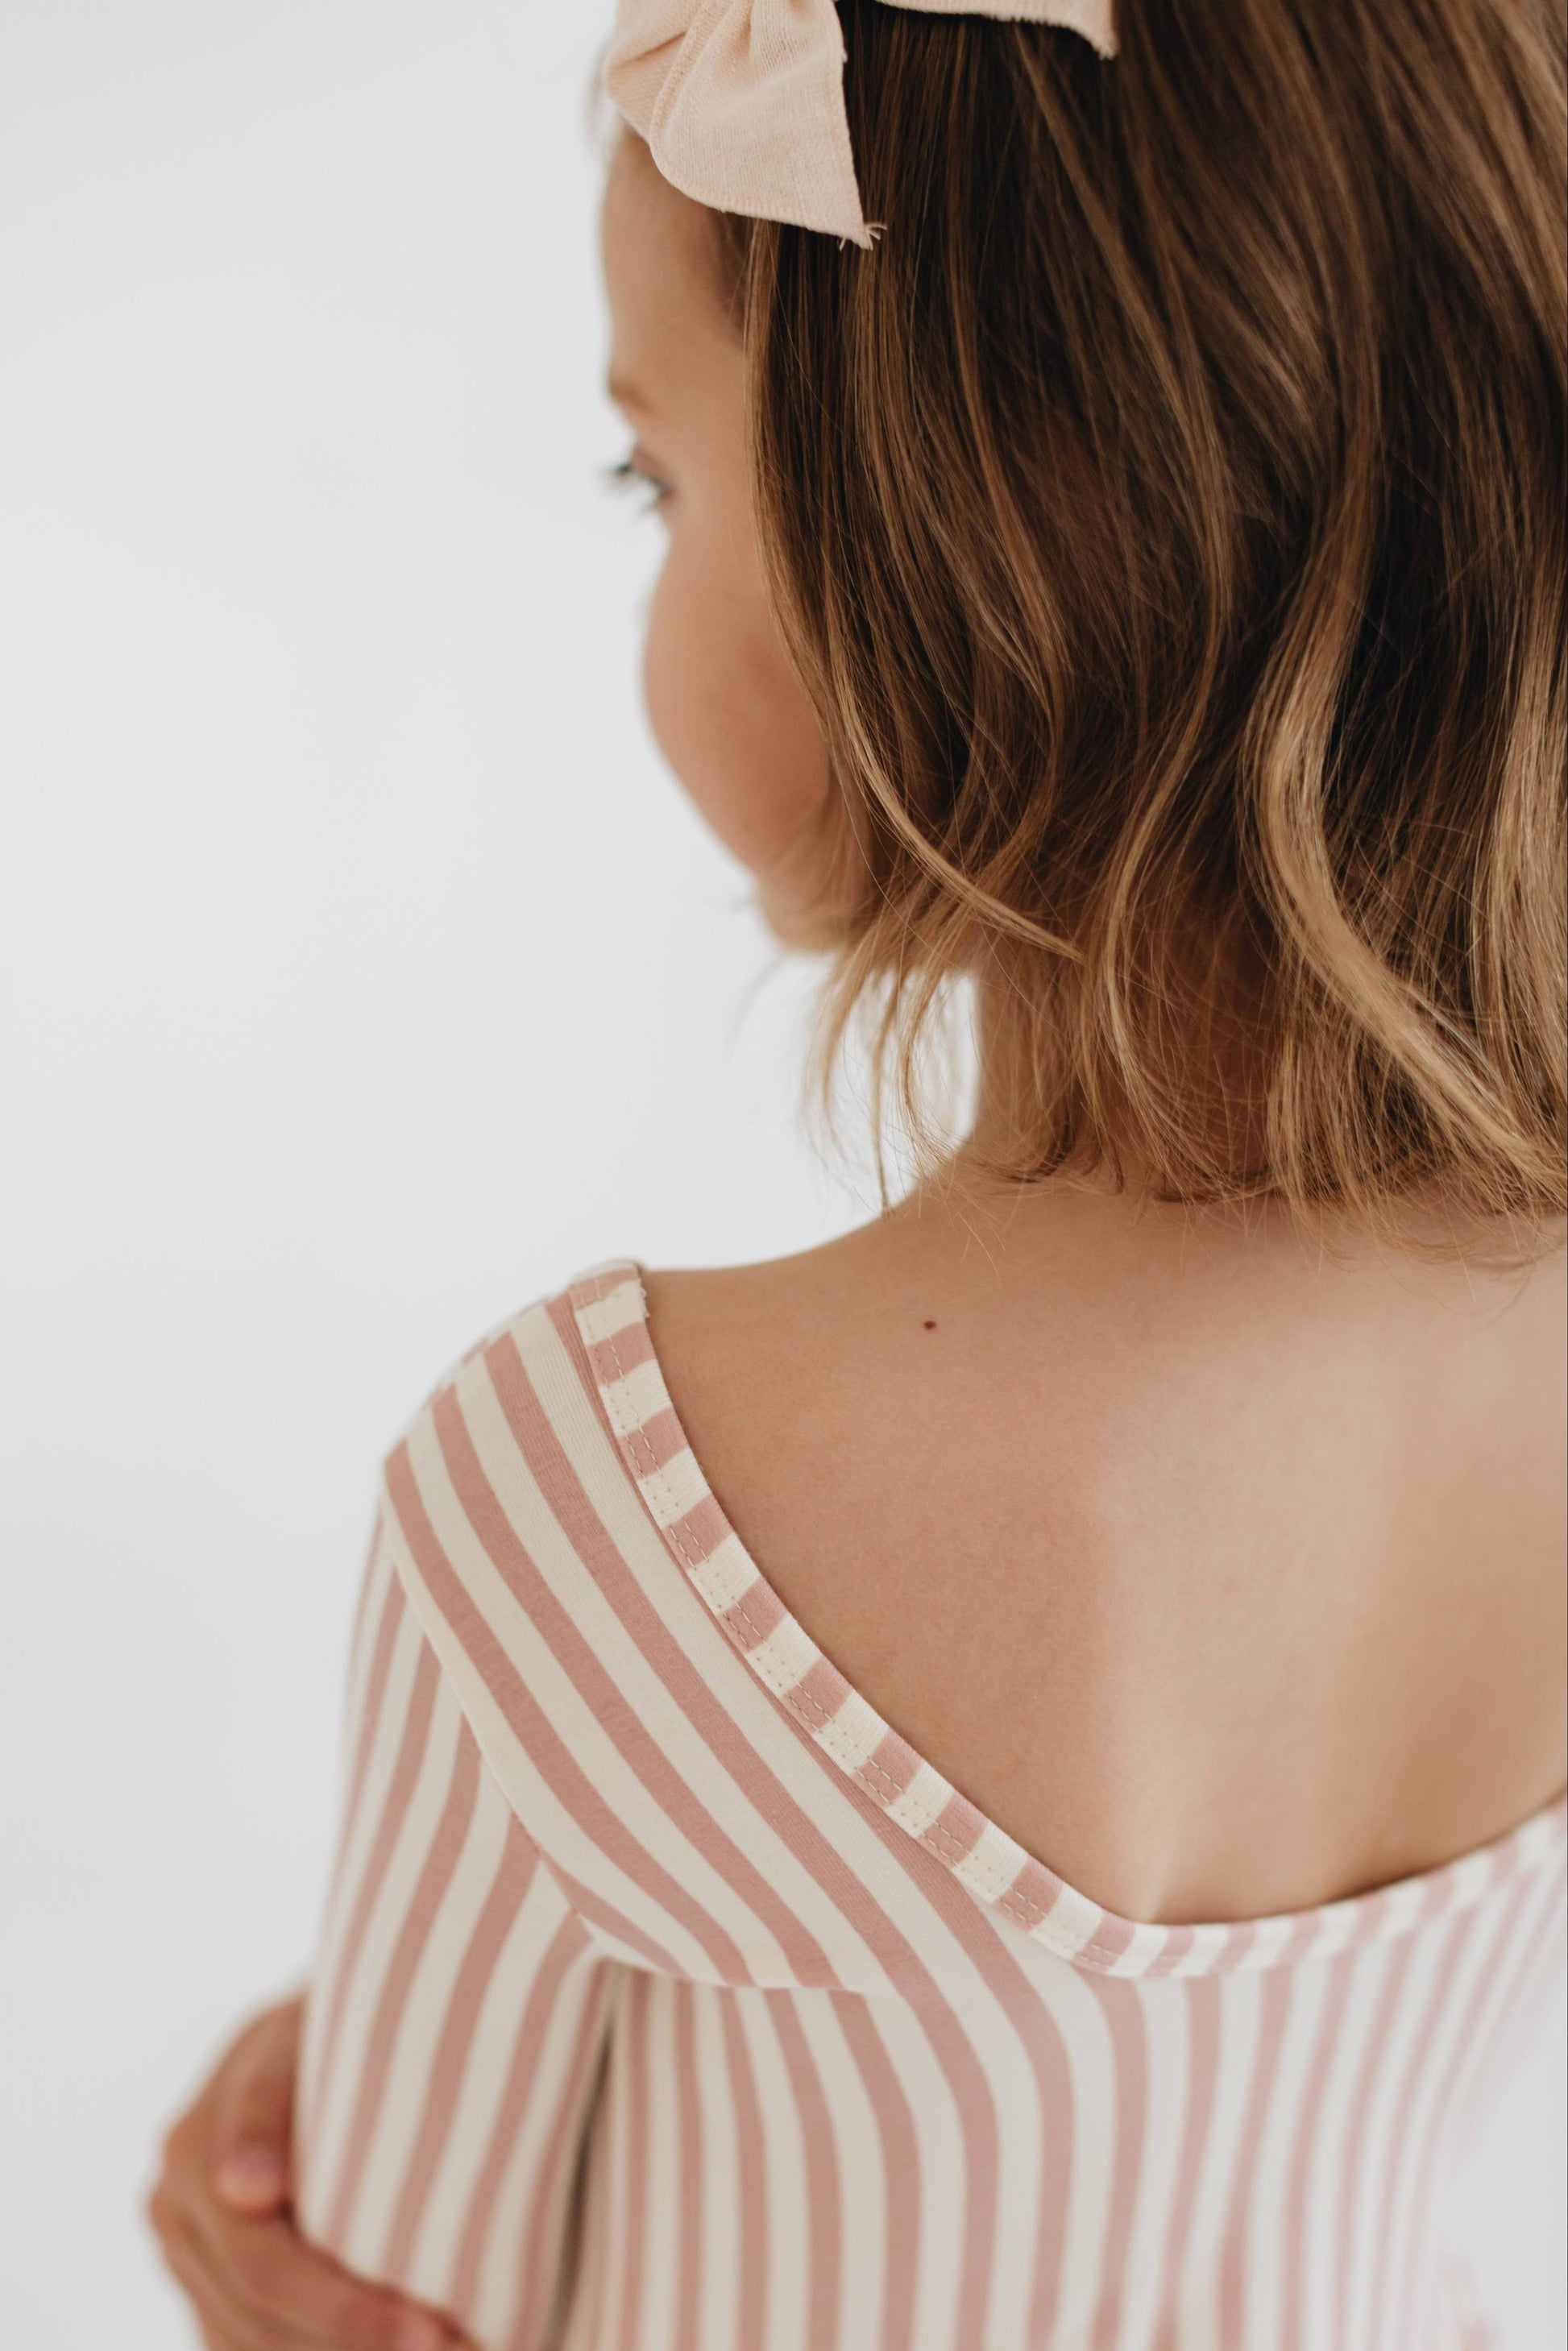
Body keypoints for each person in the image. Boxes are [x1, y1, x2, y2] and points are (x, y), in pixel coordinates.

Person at [147, 2, 1567, 2346]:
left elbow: (384, 2309)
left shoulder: (592, 1500)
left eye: (657, 481)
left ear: (993, 526)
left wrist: (332, 2144)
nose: (649, 564)